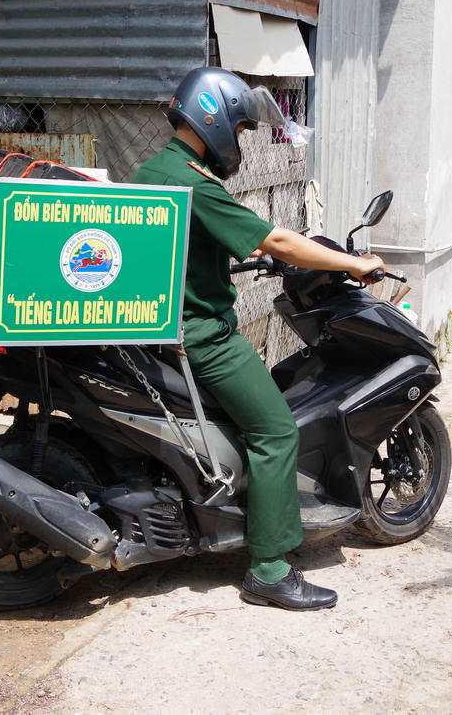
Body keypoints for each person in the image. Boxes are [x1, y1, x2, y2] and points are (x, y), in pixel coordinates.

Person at [132, 67, 385, 610]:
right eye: (242, 128)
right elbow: (276, 238)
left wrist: (251, 251)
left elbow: (199, 243)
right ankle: (270, 569)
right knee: (275, 431)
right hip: (202, 335)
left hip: (161, 328)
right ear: (214, 117)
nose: (241, 138)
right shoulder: (192, 183)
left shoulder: (154, 171)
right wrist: (352, 263)